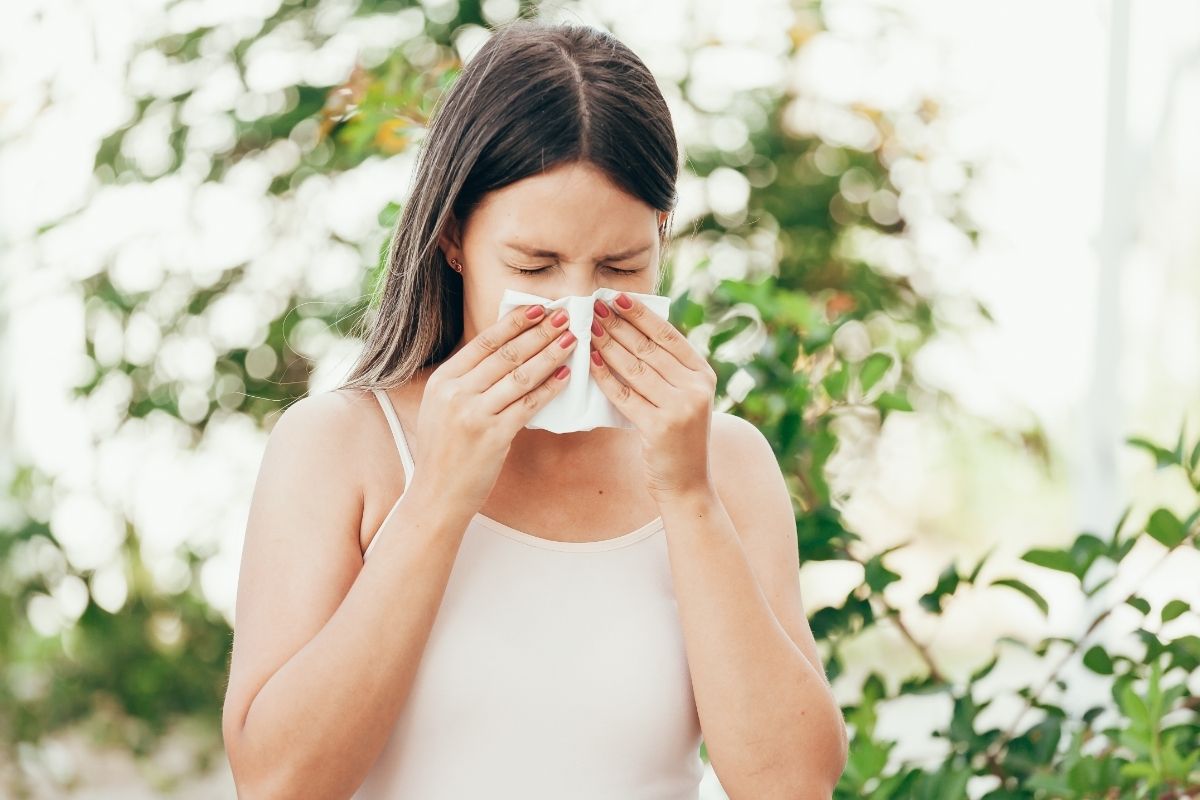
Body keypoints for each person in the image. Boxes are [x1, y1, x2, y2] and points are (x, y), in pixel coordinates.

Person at [221, 17, 848, 800]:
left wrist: (688, 497)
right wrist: (441, 495)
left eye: (620, 265)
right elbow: (279, 783)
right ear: (453, 238)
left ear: (661, 236)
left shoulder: (726, 464)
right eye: (534, 265)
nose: (576, 305)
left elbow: (792, 785)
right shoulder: (340, 447)